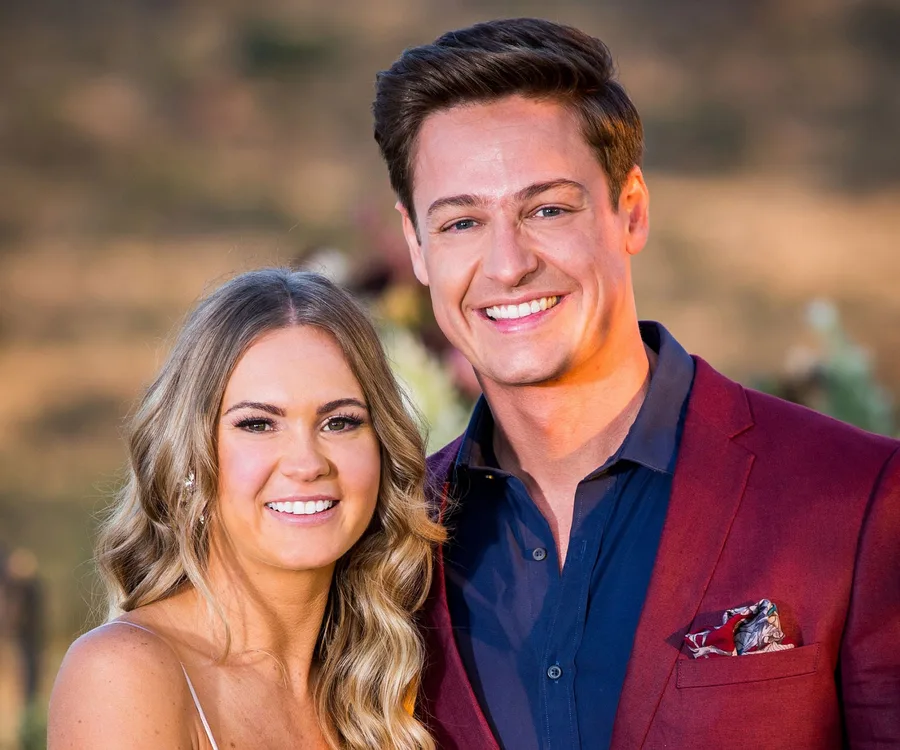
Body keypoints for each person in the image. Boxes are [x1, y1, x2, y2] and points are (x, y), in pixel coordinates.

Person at [373, 17, 900, 750]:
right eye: (461, 222)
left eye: (547, 209)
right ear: (415, 246)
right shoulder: (383, 548)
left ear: (632, 209)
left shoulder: (858, 497)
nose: (506, 264)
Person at [48, 269, 444, 750]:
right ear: (191, 456)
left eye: (340, 422)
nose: (307, 463)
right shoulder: (123, 673)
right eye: (258, 424)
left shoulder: (377, 689)